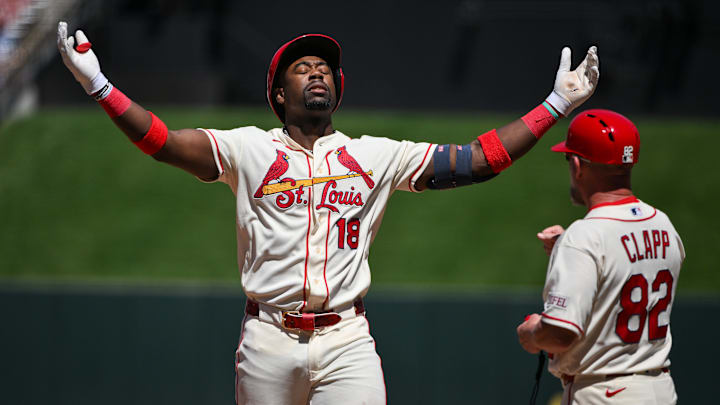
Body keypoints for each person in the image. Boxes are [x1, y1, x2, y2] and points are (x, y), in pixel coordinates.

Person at [57, 21, 598, 405]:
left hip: (347, 341)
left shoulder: (376, 155)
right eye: (301, 68)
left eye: (325, 69)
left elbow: (480, 160)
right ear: (278, 92)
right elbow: (164, 142)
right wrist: (98, 86)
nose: (317, 72)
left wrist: (556, 104)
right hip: (268, 337)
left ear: (337, 90)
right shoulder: (249, 149)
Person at [516, 109, 685, 404]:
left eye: (568, 159)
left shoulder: (583, 237)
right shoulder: (664, 224)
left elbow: (559, 335)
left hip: (605, 395)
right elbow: (628, 267)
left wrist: (532, 333)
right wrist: (567, 251)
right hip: (660, 389)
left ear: (578, 165)